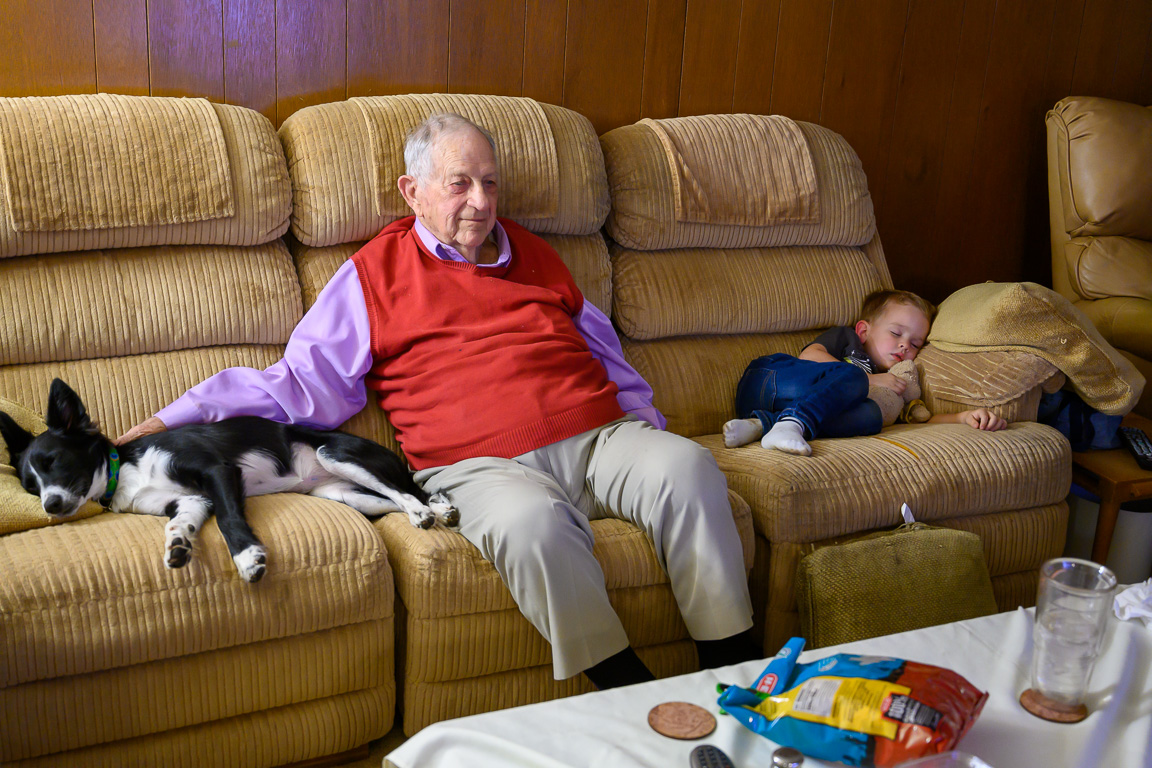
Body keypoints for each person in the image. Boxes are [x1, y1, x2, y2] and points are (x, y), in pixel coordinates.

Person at [117, 113, 756, 689]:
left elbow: (606, 351)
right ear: (412, 190)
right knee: (532, 527)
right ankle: (631, 694)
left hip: (598, 435)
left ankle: (734, 673)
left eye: (490, 183)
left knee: (688, 468)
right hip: (478, 465)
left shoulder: (536, 252)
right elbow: (299, 383)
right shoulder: (372, 274)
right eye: (459, 184)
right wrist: (174, 418)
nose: (481, 203)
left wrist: (648, 427)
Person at [723, 289, 1008, 455]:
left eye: (915, 343)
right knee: (852, 378)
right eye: (896, 332)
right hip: (769, 380)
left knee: (872, 416)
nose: (904, 345)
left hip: (767, 410)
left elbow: (920, 418)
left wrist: (964, 417)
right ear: (864, 330)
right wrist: (869, 379)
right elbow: (809, 357)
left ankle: (766, 425)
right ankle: (791, 424)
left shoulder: (896, 381)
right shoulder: (847, 341)